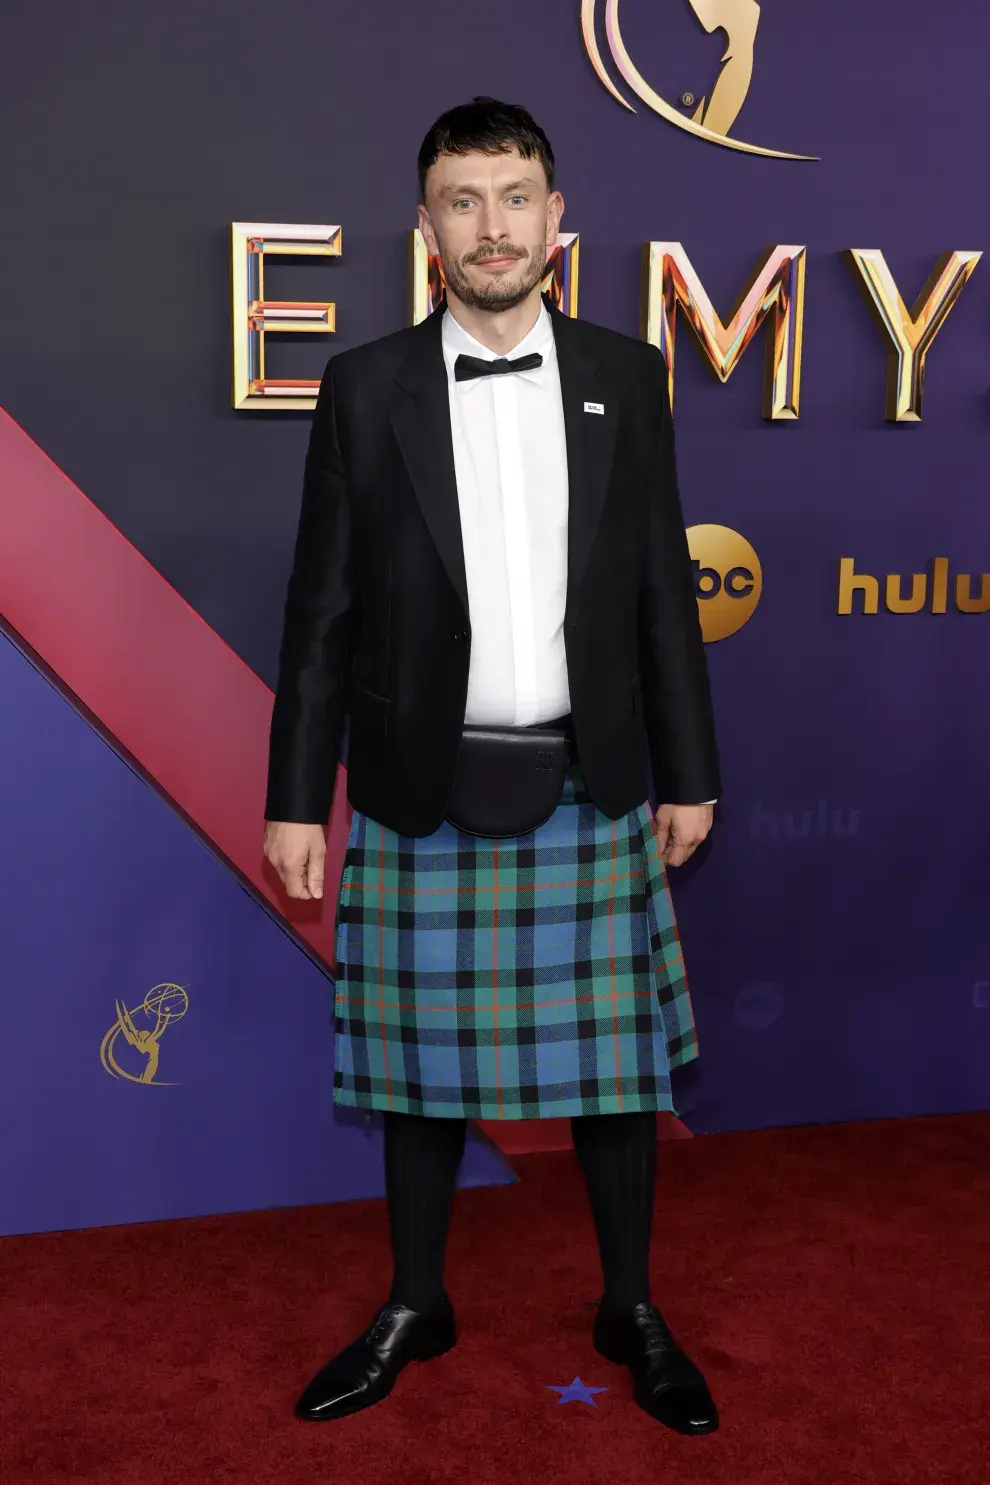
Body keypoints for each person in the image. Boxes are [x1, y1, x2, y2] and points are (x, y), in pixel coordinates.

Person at [263, 96, 722, 1436]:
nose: (490, 227)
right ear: (424, 229)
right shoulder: (363, 389)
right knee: (413, 1069)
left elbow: (656, 597)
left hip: (590, 780)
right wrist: (300, 794)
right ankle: (416, 1299)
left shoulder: (627, 375)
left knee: (616, 1070)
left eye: (513, 196)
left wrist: (687, 770)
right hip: (418, 785)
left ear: (554, 217)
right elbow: (320, 611)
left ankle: (628, 1305)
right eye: (461, 201)